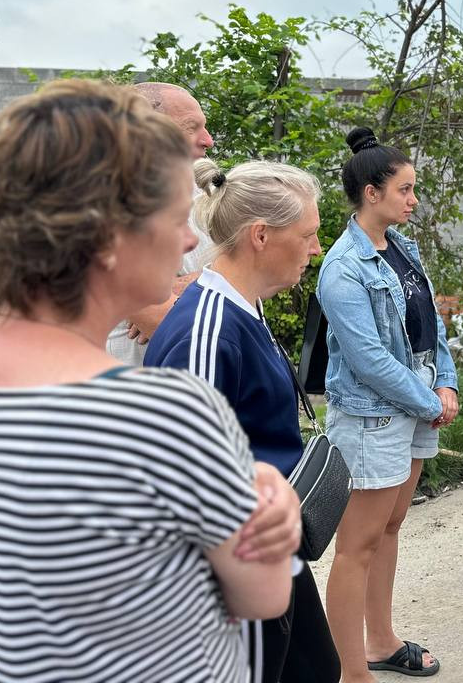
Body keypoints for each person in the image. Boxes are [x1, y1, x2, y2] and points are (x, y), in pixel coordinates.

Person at [0, 79, 299, 682]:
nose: (192, 239)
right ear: (112, 235)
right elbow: (263, 598)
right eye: (176, 217)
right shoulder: (168, 416)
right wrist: (271, 497)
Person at [146, 158, 340, 683]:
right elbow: (185, 476)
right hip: (239, 566)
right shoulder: (208, 330)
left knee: (317, 668)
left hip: (269, 550)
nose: (316, 248)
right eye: (308, 235)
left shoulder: (241, 308)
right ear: (260, 236)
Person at [318, 126, 459, 681]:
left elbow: (434, 329)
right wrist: (429, 400)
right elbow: (369, 360)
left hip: (420, 396)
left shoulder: (402, 247)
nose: (414, 199)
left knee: (392, 526)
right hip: (375, 412)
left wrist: (444, 383)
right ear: (371, 193)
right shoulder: (342, 268)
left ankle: (381, 640)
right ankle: (351, 670)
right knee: (357, 545)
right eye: (405, 189)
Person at [105, 81, 217, 364]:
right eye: (192, 127)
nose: (208, 140)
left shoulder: (200, 191)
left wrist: (191, 285)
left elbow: (250, 276)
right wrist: (221, 282)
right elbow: (167, 324)